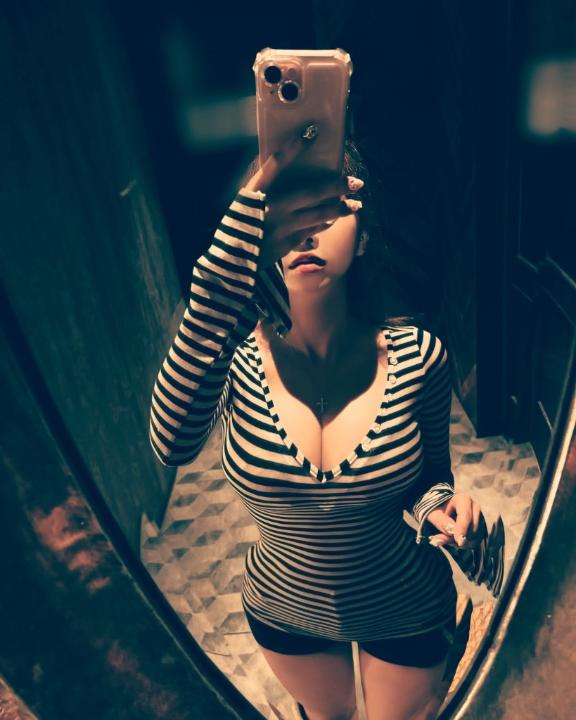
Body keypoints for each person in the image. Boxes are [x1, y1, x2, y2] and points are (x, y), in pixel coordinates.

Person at [149, 130, 484, 720]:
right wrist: (222, 282)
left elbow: (431, 478)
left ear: (364, 233)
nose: (305, 232)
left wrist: (442, 508)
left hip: (405, 604)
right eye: (283, 215)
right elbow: (171, 443)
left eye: (327, 209)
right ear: (252, 238)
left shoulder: (419, 356)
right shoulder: (229, 363)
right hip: (284, 609)